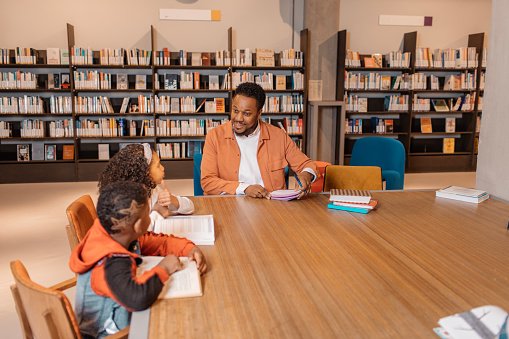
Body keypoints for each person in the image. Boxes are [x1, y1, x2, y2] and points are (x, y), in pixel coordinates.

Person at [69, 181, 207, 338]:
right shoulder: (109, 264)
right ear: (139, 225)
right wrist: (164, 268)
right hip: (109, 334)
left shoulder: (111, 233)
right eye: (148, 214)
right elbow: (137, 297)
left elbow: (157, 242)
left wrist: (189, 248)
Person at [201, 82, 320, 198]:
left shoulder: (278, 136)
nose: (238, 118)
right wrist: (245, 188)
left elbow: (307, 164)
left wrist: (306, 174)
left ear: (259, 113)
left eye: (246, 114)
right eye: (235, 111)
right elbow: (208, 182)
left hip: (271, 206)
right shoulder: (215, 136)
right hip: (230, 204)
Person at [98, 143, 193, 231]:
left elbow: (190, 207)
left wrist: (173, 200)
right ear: (145, 172)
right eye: (158, 165)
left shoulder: (152, 189)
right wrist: (157, 213)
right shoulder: (127, 199)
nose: (163, 168)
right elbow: (135, 232)